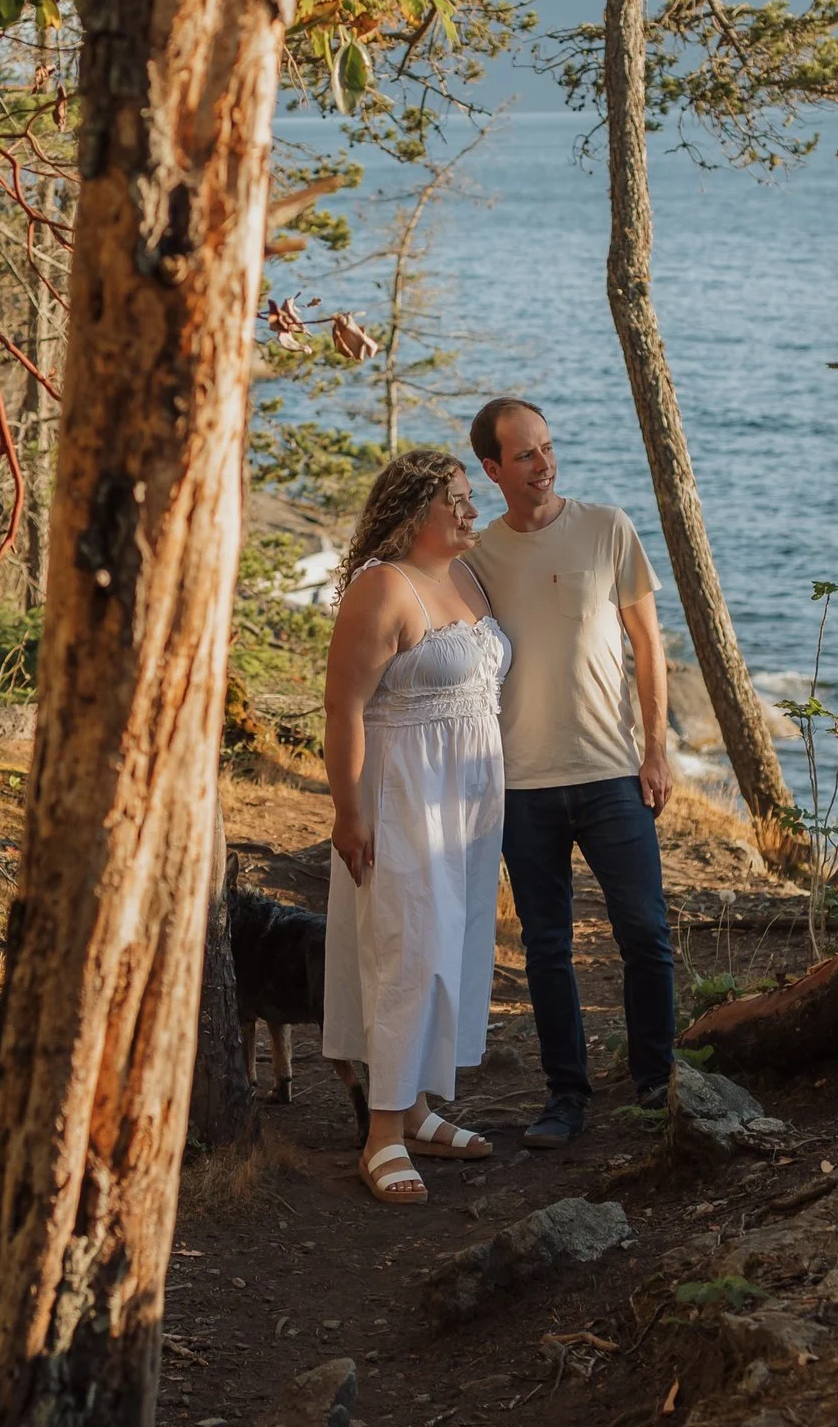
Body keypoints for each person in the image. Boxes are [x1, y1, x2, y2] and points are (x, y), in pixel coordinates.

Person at [462, 396, 678, 1149]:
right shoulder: (475, 558)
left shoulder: (607, 528)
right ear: (493, 469)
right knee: (546, 946)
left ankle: (657, 1081)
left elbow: (648, 646)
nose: (544, 465)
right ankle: (566, 1096)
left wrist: (656, 749)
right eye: (524, 455)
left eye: (547, 448)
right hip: (522, 785)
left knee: (644, 932)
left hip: (612, 771)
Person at [322, 448, 511, 1205]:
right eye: (454, 501)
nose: (471, 510)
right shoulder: (382, 587)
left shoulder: (466, 575)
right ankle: (381, 1134)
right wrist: (349, 811)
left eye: (469, 496)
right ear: (410, 515)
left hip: (468, 798)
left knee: (454, 945)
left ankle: (419, 1108)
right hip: (404, 792)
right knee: (408, 951)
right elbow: (342, 707)